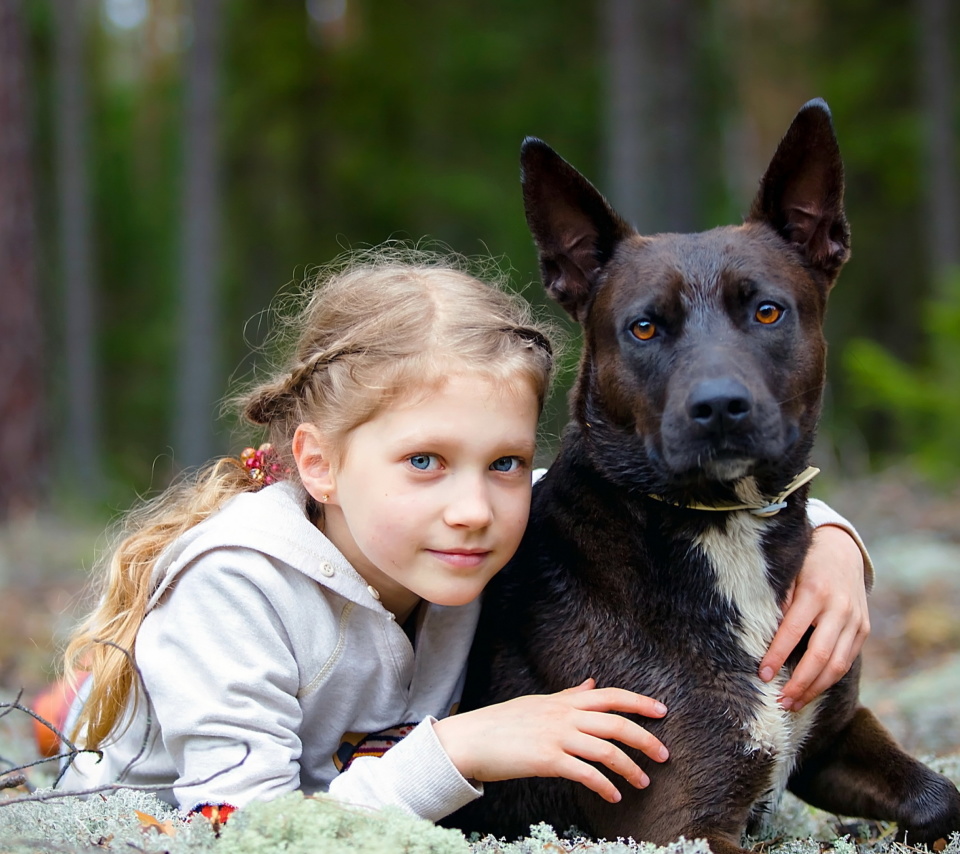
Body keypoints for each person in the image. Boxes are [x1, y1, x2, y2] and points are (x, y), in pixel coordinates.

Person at [55, 248, 871, 823]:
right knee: (114, 721)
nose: (474, 508)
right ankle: (89, 706)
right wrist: (458, 749)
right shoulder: (237, 591)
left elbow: (643, 494)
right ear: (320, 464)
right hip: (159, 811)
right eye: (424, 461)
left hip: (348, 787)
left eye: (506, 461)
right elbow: (240, 828)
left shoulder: (466, 533)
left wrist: (834, 541)